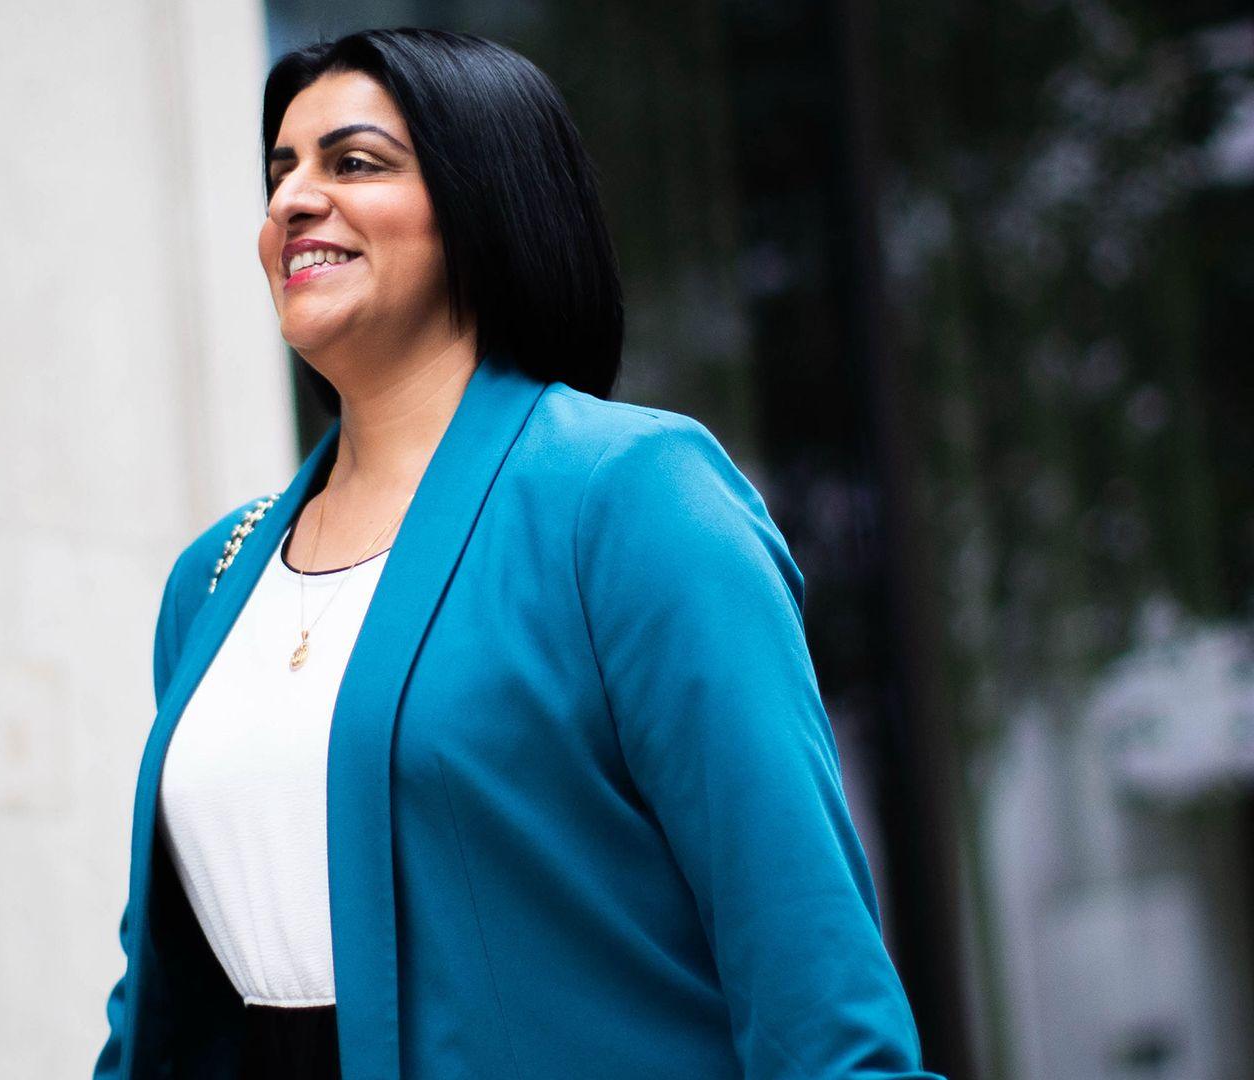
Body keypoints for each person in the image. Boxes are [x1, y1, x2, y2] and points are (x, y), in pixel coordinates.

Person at [92, 27, 943, 1080]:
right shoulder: (210, 581)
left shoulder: (629, 496)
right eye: (281, 173)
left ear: (481, 201)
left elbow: (805, 960)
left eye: (353, 163)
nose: (292, 202)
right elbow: (156, 1000)